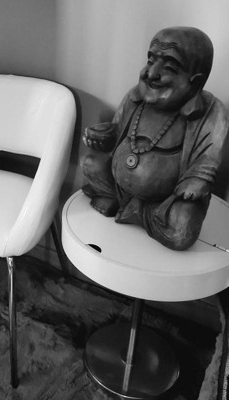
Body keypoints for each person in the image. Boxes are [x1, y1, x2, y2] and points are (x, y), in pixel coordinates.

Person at [82, 26, 229, 250]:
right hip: (118, 186)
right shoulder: (135, 98)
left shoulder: (211, 111)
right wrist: (104, 136)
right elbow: (117, 131)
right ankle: (119, 199)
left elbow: (208, 159)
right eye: (151, 60)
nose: (151, 73)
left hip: (164, 204)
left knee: (182, 229)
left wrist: (197, 179)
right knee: (90, 163)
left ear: (196, 82)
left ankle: (135, 210)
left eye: (169, 67)